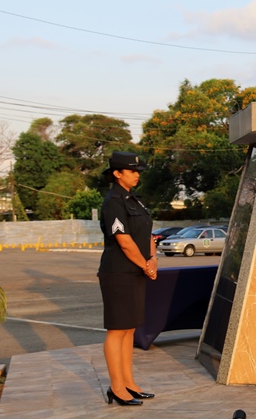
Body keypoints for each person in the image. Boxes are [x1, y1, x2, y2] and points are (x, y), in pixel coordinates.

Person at [98, 151, 158, 406]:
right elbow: (123, 241)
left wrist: (153, 259)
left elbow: (148, 234)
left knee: (129, 329)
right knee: (117, 330)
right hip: (118, 273)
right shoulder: (113, 202)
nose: (137, 175)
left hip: (136, 271)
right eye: (132, 171)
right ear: (117, 173)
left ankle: (129, 383)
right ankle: (116, 387)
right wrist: (146, 265)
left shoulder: (135, 200)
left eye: (138, 171)